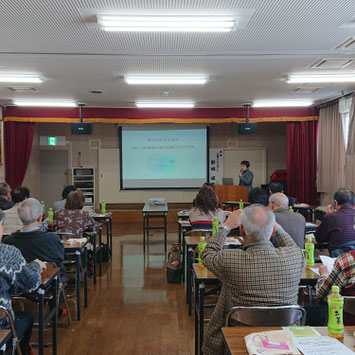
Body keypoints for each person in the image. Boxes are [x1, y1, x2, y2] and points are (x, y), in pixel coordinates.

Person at [201, 204, 306, 355]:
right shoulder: (294, 257)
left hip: (240, 333)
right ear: (272, 233)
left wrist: (226, 226)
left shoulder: (229, 259)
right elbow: (294, 247)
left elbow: (207, 255)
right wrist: (277, 227)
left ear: (242, 230)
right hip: (285, 335)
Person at [0, 209, 46, 354]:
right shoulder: (7, 253)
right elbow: (31, 284)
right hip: (3, 327)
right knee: (27, 317)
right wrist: (36, 265)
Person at [3, 198, 66, 277]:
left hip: (20, 283)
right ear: (40, 218)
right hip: (49, 281)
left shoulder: (8, 241)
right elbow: (60, 259)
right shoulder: (52, 239)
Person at [306, 250, 355, 326]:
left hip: (342, 327)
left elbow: (323, 295)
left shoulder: (347, 260)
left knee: (308, 312)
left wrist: (324, 275)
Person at [315, 188, 355, 257]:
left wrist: (328, 216)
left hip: (339, 259)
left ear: (336, 203)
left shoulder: (330, 217)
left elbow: (319, 239)